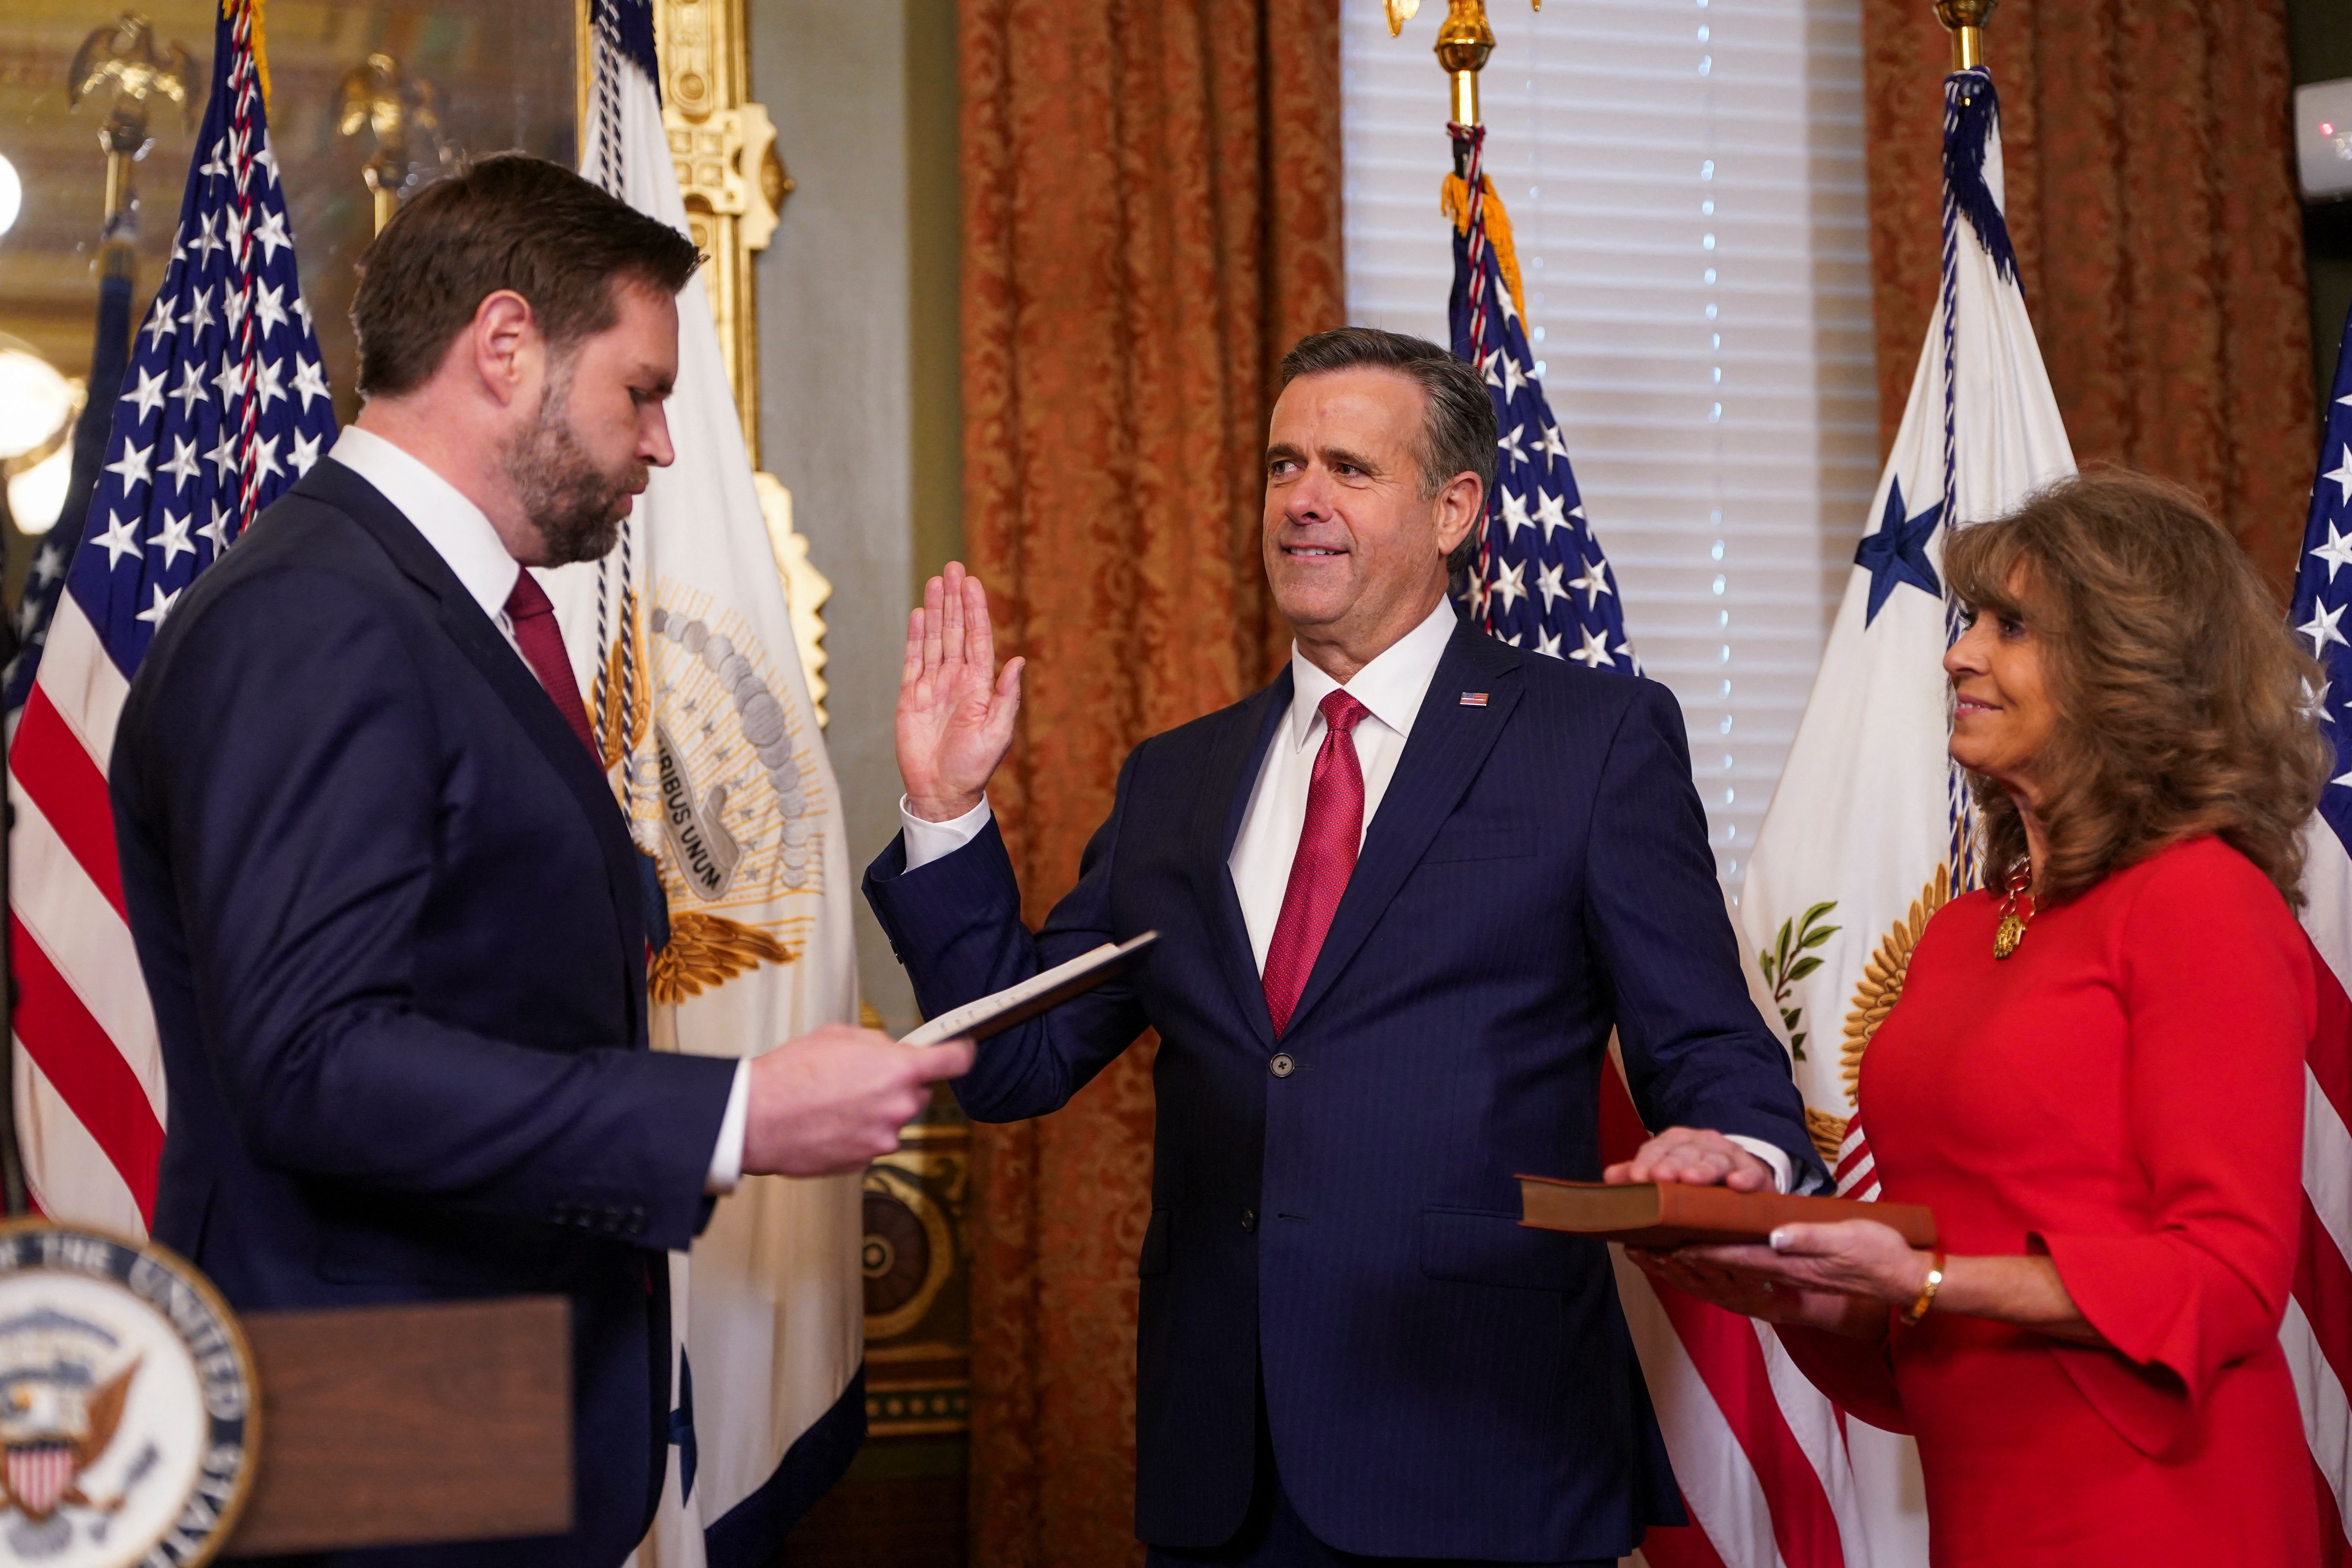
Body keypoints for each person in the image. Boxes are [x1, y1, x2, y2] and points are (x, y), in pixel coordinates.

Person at [110, 154, 973, 1568]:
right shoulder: (320, 615)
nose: (663, 443)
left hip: (470, 1391)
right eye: (641, 390)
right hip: (375, 1410)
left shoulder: (438, 605)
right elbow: (314, 1060)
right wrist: (733, 1111)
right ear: (506, 345)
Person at [863, 326, 1826, 1567]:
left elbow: (1709, 1046)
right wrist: (945, 812)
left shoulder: (1587, 741)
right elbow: (1013, 1061)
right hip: (1226, 1475)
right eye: (1280, 466)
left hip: (1485, 1449)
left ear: (1454, 510)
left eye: (1346, 470)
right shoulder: (1177, 777)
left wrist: (1738, 1156)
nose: (1299, 499)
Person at [1636, 470, 2328, 1567]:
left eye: (2010, 627)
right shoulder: (1963, 929)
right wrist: (1796, 1294)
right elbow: (1934, 1301)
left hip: (2166, 1512)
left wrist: (1918, 1277)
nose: (1958, 654)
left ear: (2126, 669)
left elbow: (2227, 1279)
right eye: (1969, 623)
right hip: (1986, 1509)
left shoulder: (2199, 897)